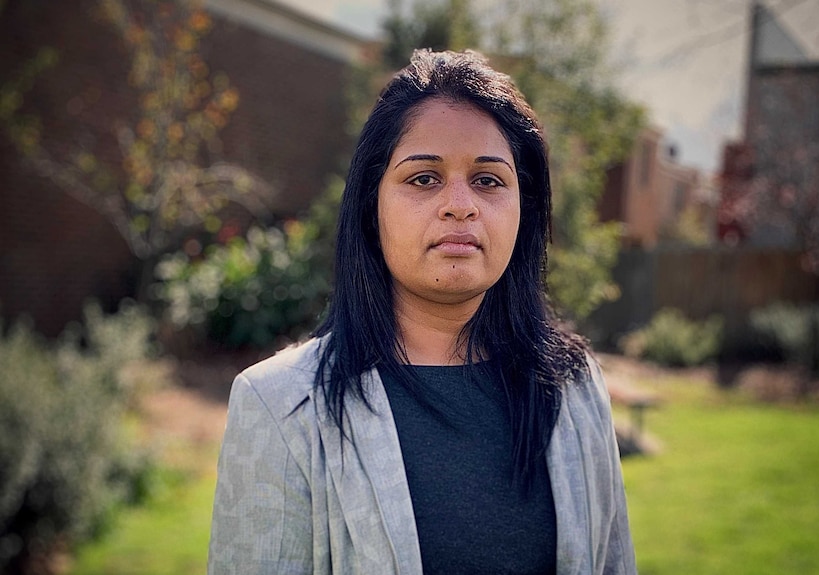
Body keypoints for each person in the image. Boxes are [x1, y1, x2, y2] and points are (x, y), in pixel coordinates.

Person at [208, 49, 636, 575]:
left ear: (524, 210)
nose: (461, 204)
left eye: (488, 180)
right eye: (424, 178)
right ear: (372, 205)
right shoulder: (281, 406)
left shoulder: (574, 385)